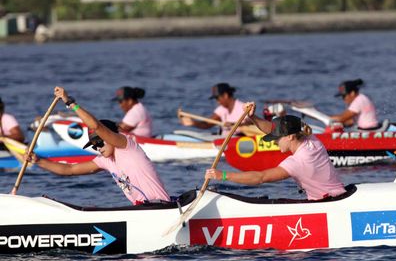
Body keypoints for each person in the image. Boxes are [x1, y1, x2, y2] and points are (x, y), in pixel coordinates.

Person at [24, 86, 170, 205]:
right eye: (93, 144)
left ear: (111, 136)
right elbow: (69, 169)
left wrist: (69, 102)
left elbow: (97, 126)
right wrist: (38, 161)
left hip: (160, 206)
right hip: (143, 208)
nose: (97, 147)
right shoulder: (104, 160)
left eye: (99, 141)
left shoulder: (125, 144)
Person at [205, 103, 347, 201]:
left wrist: (223, 175)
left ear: (290, 136)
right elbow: (272, 129)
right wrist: (253, 117)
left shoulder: (297, 162)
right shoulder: (311, 139)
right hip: (339, 196)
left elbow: (260, 177)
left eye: (277, 138)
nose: (274, 141)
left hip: (327, 204)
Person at [179, 83, 248, 134]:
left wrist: (234, 124)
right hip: (224, 142)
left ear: (225, 95)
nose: (217, 102)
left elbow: (250, 123)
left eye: (218, 98)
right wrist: (193, 122)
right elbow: (207, 124)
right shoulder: (221, 109)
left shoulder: (242, 108)